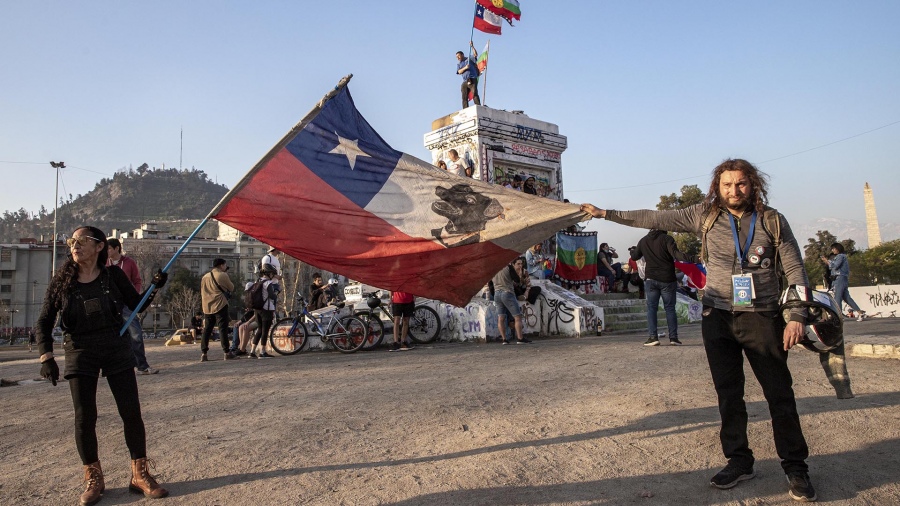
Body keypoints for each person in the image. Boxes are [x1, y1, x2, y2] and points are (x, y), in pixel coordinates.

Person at [581, 158, 817, 502]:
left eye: (740, 184)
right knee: (728, 393)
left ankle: (796, 467)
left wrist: (796, 315)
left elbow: (795, 268)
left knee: (779, 394)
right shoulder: (704, 215)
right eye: (726, 185)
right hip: (717, 316)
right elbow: (654, 217)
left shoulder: (772, 221)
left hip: (762, 316)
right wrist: (606, 213)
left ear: (752, 185)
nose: (733, 191)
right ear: (716, 187)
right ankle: (739, 460)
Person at [36, 226, 169, 505]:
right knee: (85, 417)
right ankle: (93, 479)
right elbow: (45, 320)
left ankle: (139, 474)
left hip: (115, 346)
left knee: (130, 411)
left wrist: (155, 287)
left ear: (99, 247)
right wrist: (46, 356)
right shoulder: (62, 280)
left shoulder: (114, 275)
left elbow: (136, 305)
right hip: (80, 350)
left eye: (83, 241)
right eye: (72, 241)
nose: (75, 245)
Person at [632, 229, 698, 346]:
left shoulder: (643, 240)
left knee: (652, 308)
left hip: (651, 279)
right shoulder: (667, 239)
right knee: (670, 308)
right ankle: (673, 338)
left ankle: (653, 337)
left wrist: (632, 252)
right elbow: (676, 255)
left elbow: (635, 256)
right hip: (667, 279)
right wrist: (694, 259)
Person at [106, 238, 157, 375]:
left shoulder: (129, 263)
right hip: (110, 304)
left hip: (127, 304)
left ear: (116, 248)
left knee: (135, 334)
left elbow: (137, 280)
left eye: (109, 248)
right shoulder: (104, 264)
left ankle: (142, 365)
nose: (107, 251)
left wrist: (134, 294)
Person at [199, 258, 238, 362]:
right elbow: (232, 287)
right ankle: (226, 352)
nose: (225, 267)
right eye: (225, 265)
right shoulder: (222, 275)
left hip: (207, 306)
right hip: (220, 304)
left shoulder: (205, 277)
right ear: (221, 265)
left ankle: (204, 353)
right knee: (222, 329)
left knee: (207, 330)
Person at [491, 257, 532, 345]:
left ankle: (504, 339)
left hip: (497, 294)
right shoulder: (508, 267)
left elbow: (490, 283)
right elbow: (516, 279)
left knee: (501, 317)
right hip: (507, 292)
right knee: (517, 317)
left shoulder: (493, 268)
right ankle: (520, 338)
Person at [821, 243, 867, 321]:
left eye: (833, 249)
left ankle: (838, 316)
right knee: (846, 297)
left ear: (838, 248)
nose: (832, 250)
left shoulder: (840, 256)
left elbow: (835, 266)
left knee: (837, 297)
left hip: (839, 278)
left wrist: (827, 261)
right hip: (842, 278)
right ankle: (860, 312)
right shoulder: (842, 256)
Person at [249, 265, 279, 359]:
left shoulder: (257, 281)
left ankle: (252, 351)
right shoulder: (268, 283)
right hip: (267, 309)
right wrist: (276, 293)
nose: (273, 276)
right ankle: (263, 352)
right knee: (265, 331)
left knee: (259, 330)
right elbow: (272, 296)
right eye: (272, 274)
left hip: (257, 309)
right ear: (269, 274)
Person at [455, 42, 481, 109]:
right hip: (465, 81)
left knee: (474, 93)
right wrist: (465, 68)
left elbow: (475, 55)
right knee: (464, 96)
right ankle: (465, 109)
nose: (458, 58)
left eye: (459, 56)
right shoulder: (459, 64)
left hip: (472, 78)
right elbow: (459, 71)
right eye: (456, 57)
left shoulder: (469, 59)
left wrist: (472, 46)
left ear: (462, 55)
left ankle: (478, 106)